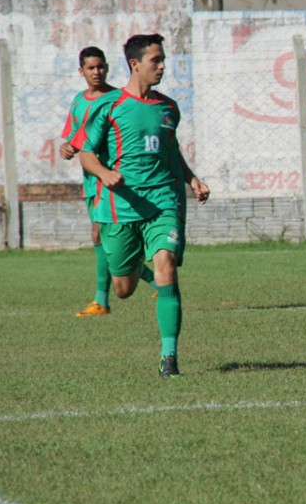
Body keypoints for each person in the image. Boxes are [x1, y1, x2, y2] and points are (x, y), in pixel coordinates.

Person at [78, 34, 209, 378]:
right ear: (135, 64)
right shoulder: (108, 107)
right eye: (156, 60)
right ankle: (133, 263)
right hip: (121, 207)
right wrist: (104, 173)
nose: (163, 66)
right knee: (123, 289)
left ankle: (169, 357)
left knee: (166, 265)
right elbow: (86, 152)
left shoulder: (169, 108)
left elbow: (171, 150)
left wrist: (191, 179)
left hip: (162, 201)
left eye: (163, 59)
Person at [62, 47, 157, 318]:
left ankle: (101, 300)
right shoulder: (79, 101)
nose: (96, 72)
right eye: (90, 68)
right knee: (105, 238)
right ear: (81, 71)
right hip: (91, 179)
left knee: (98, 234)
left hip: (113, 179)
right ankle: (155, 282)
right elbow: (76, 139)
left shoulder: (118, 99)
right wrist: (67, 148)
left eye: (101, 66)